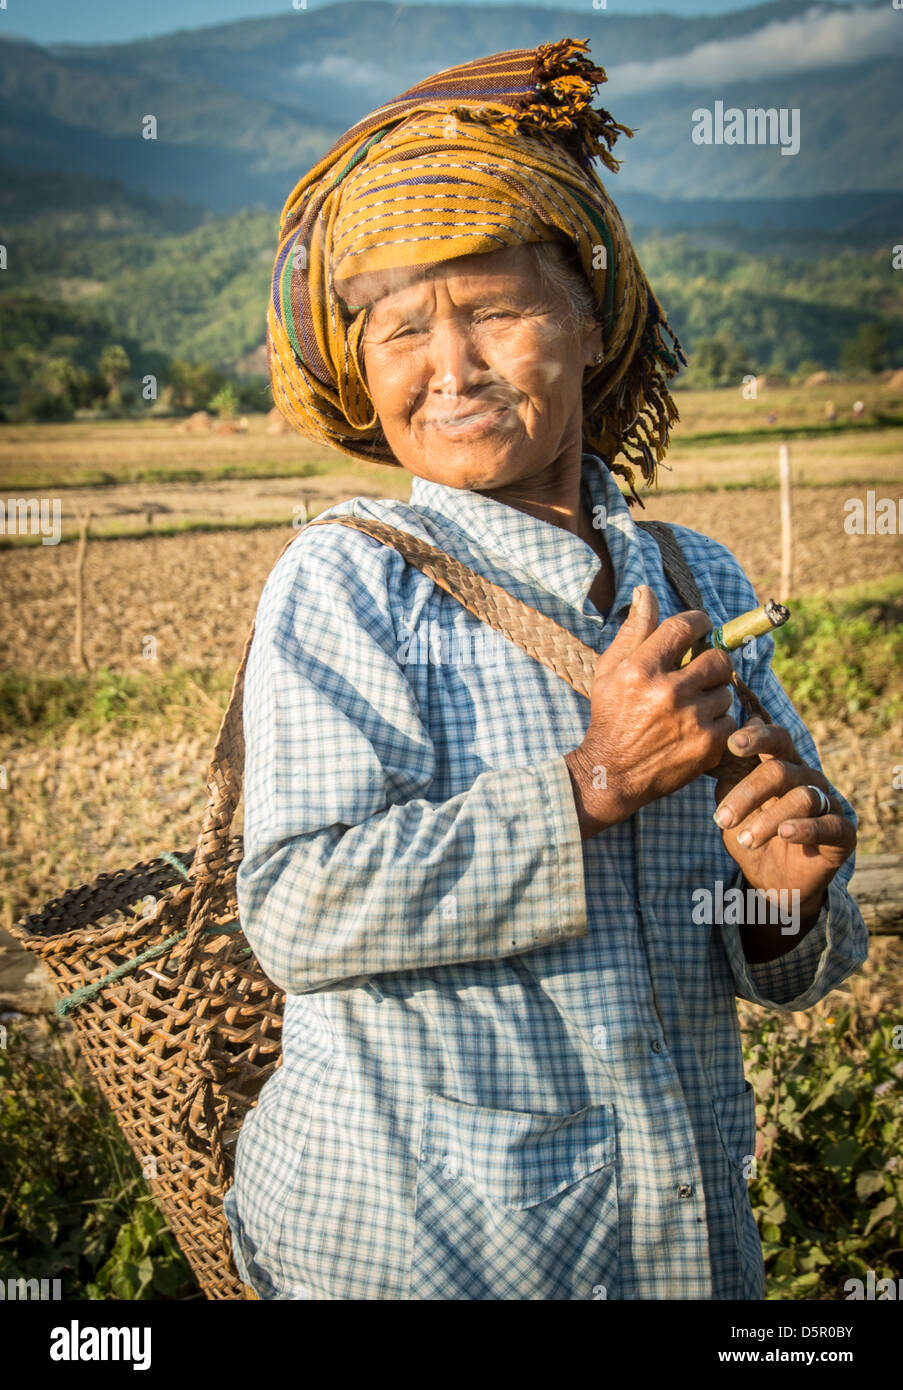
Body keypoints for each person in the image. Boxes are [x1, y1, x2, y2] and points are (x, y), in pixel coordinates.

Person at [224, 40, 866, 1301]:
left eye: (495, 312)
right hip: (427, 1258)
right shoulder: (348, 581)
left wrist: (780, 903)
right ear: (362, 366)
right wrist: (591, 780)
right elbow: (295, 907)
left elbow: (782, 953)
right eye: (402, 328)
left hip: (671, 1242)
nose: (448, 368)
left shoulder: (700, 581)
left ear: (585, 317)